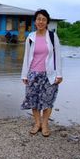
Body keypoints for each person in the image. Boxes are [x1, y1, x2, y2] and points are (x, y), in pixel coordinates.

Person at [20, 9, 63, 137]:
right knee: (34, 100)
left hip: (49, 75)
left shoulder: (52, 36)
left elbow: (57, 56)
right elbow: (26, 57)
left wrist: (59, 74)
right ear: (35, 21)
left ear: (47, 22)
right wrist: (24, 75)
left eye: (44, 19)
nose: (41, 22)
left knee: (47, 101)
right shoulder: (31, 37)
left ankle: (45, 124)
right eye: (39, 19)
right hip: (33, 74)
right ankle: (37, 123)